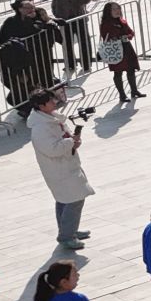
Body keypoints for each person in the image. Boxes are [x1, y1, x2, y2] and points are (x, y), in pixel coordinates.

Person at [29, 90, 93, 250]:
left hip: (67, 165)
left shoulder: (53, 118)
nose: (55, 102)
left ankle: (69, 230)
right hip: (58, 170)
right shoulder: (40, 128)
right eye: (50, 101)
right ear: (41, 106)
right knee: (73, 199)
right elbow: (52, 149)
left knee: (65, 200)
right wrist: (70, 142)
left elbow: (66, 136)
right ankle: (66, 236)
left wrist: (74, 141)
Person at [95, 1, 144, 103]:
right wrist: (119, 37)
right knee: (118, 72)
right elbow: (106, 36)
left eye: (118, 8)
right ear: (108, 11)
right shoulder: (106, 24)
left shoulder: (122, 21)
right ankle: (122, 95)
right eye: (114, 9)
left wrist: (128, 36)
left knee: (131, 69)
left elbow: (131, 32)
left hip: (127, 48)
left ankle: (134, 91)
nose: (117, 11)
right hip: (115, 50)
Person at [51, 0, 92, 74]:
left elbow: (87, 0)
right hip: (66, 21)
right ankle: (70, 64)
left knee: (84, 41)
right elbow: (54, 7)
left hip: (79, 19)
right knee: (67, 43)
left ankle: (86, 63)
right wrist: (59, 17)